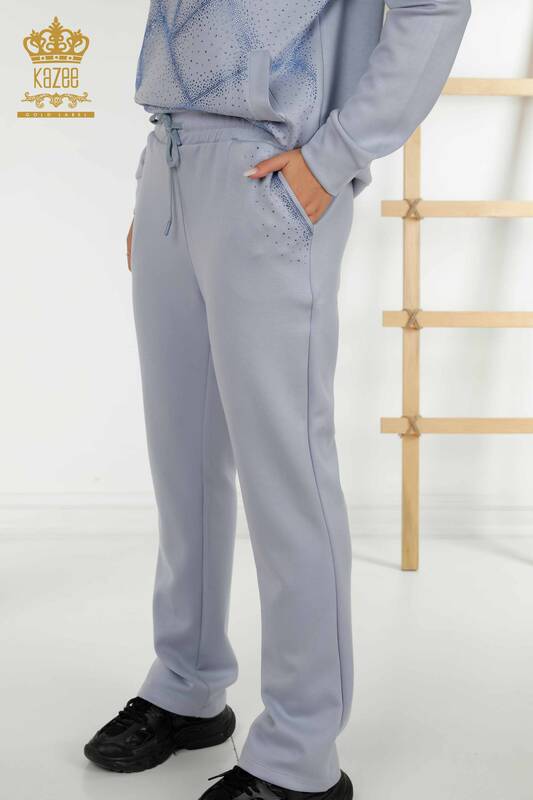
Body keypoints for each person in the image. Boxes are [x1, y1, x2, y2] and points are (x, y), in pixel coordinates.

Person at [84, 1, 471, 797]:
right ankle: (186, 683)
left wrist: (334, 158)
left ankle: (298, 751)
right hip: (172, 157)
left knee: (285, 470)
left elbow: (435, 7)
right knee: (181, 458)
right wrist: (155, 184)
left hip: (272, 166)